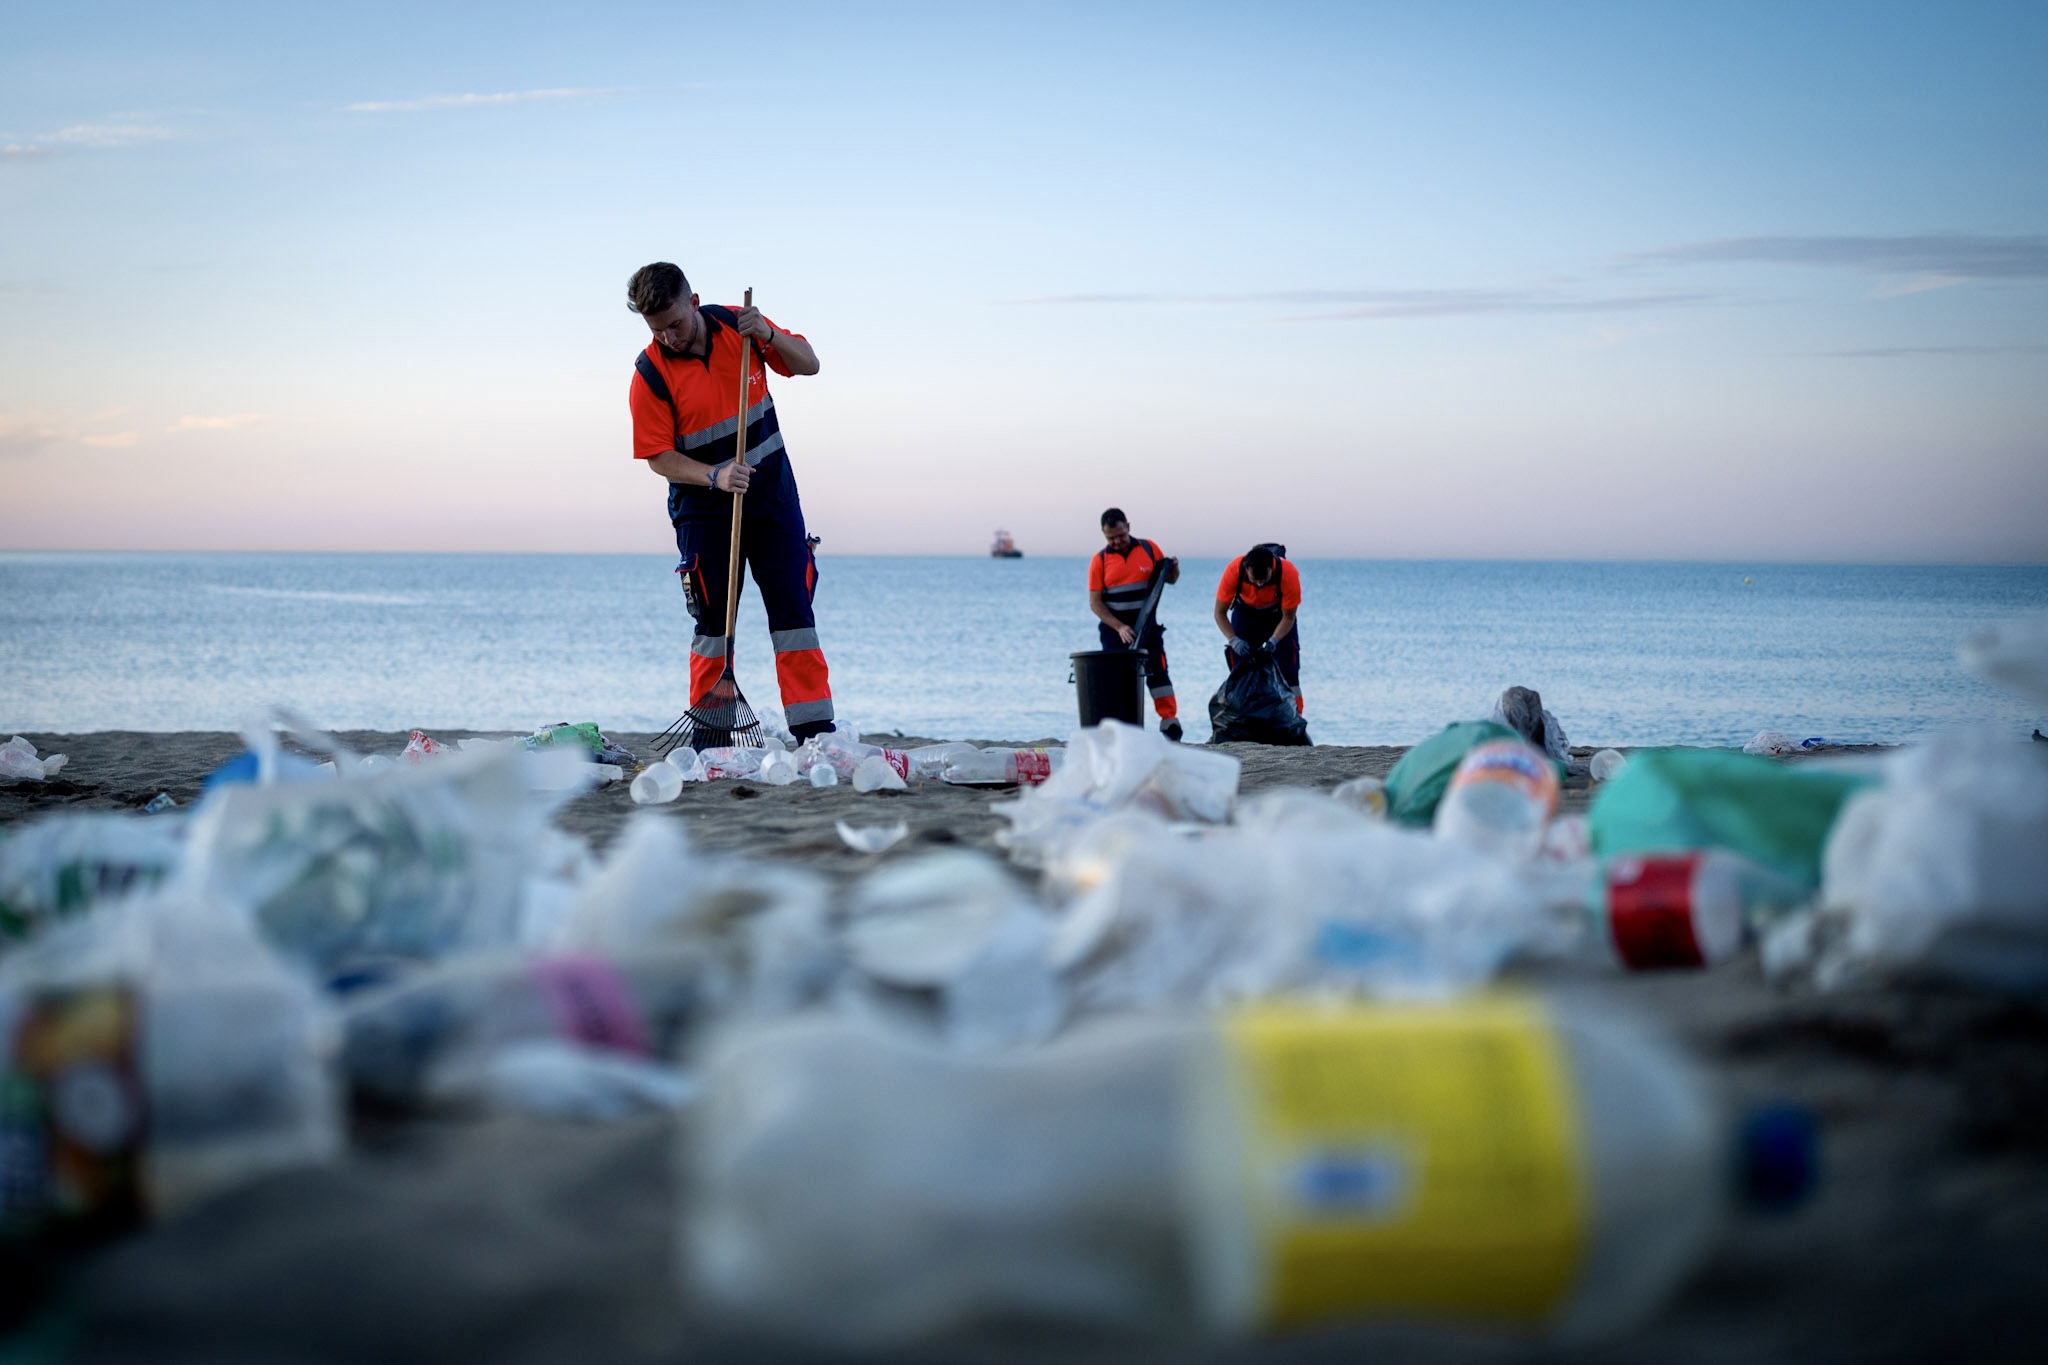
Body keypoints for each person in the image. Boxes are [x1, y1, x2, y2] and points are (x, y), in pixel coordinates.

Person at [625, 262, 836, 739]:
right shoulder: (649, 375)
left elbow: (808, 363)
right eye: (657, 330)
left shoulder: (739, 329)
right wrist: (714, 476)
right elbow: (658, 456)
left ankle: (815, 734)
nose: (669, 338)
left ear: (694, 302)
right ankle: (712, 739)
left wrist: (766, 333)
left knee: (794, 616)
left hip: (774, 497)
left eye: (675, 324)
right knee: (713, 627)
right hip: (703, 509)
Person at [1087, 508, 1182, 740]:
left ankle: (1169, 723)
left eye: (1121, 535)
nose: (1117, 541)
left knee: (1158, 672)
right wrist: (1119, 626)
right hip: (1114, 629)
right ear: (1103, 534)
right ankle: (1120, 727)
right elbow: (1095, 603)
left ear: (1128, 526)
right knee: (1117, 678)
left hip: (1148, 625)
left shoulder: (1149, 548)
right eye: (1111, 538)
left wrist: (1175, 567)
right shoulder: (1099, 560)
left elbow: (1170, 579)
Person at [1214, 543, 1303, 714]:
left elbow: (1289, 617)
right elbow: (1219, 613)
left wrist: (1274, 640)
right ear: (1246, 569)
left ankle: (1294, 717)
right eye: (1256, 580)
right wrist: (1234, 640)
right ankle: (1242, 716)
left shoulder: (1288, 573)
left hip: (1278, 617)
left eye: (1264, 580)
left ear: (1272, 568)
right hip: (1246, 615)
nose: (1260, 584)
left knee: (1288, 669)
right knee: (1240, 669)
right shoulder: (1234, 571)